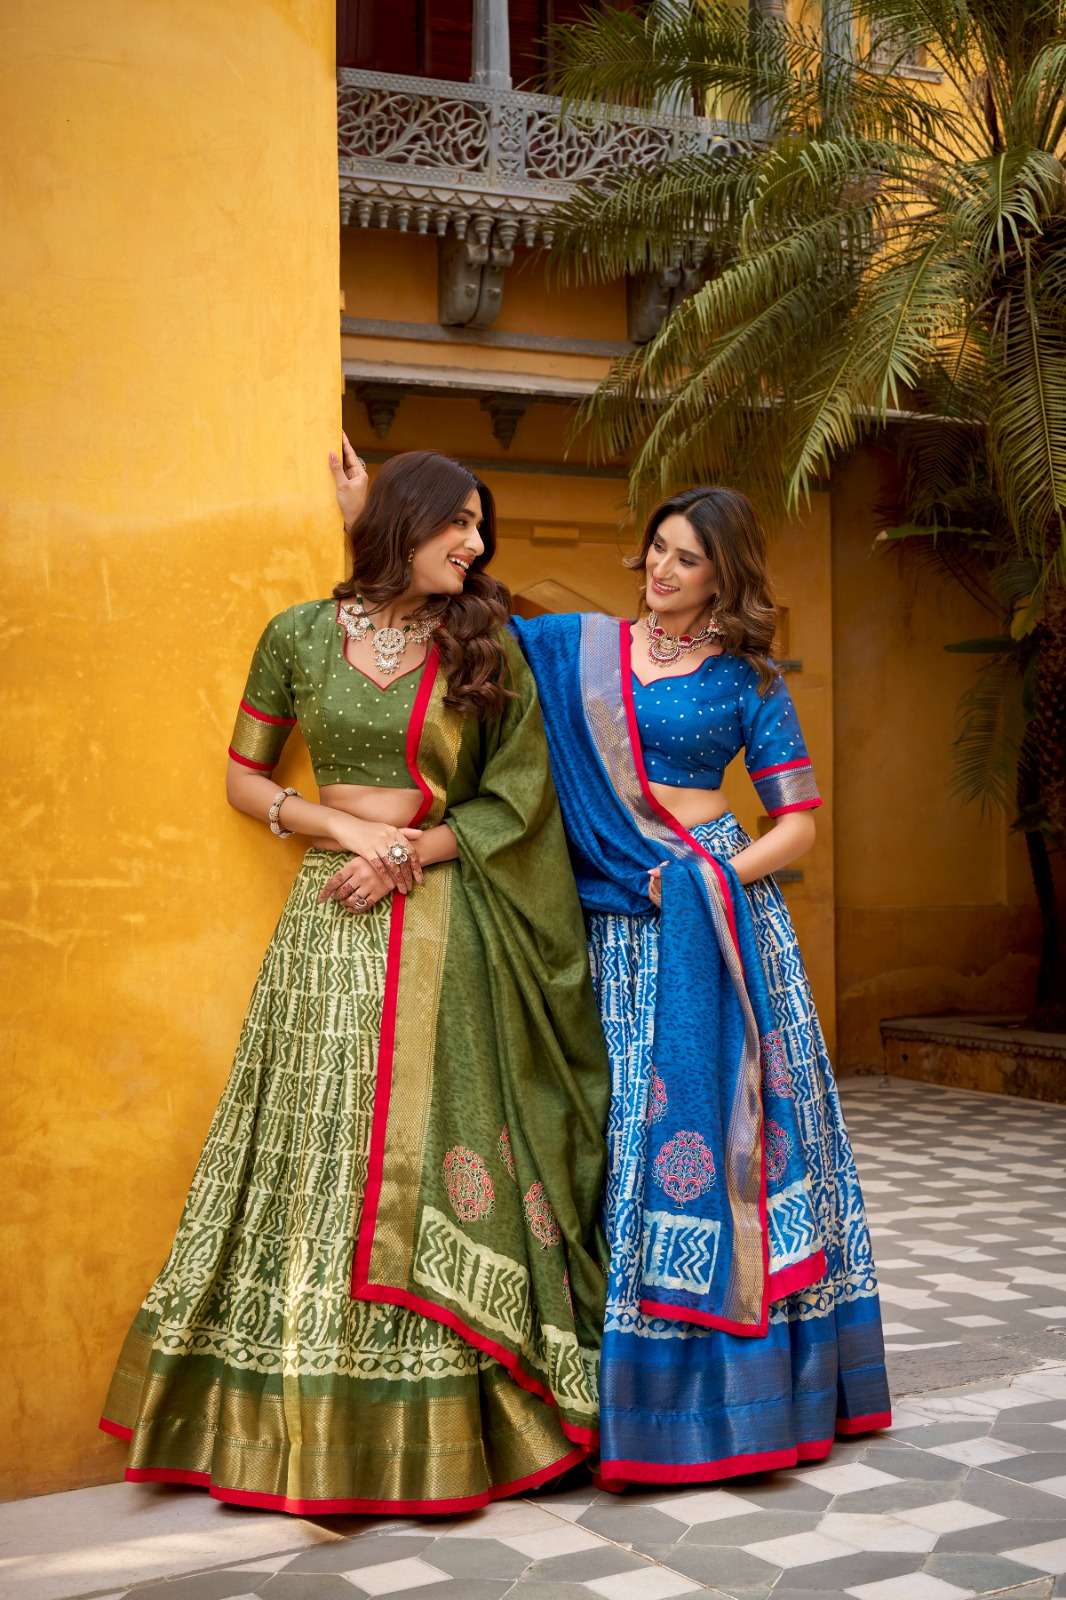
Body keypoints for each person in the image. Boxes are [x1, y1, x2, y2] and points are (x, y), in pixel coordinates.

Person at [100, 448, 610, 1514]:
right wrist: (338, 829)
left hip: (445, 919)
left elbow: (517, 803)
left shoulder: (487, 642)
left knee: (434, 1139)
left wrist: (404, 853)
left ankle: (450, 1420)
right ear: (404, 522)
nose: (475, 543)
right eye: (456, 522)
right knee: (316, 1147)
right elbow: (244, 776)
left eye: (479, 525)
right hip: (328, 918)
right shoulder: (297, 636)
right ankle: (295, 1422)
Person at [509, 486, 892, 1486]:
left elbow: (796, 825)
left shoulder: (747, 680)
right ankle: (592, 1395)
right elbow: (472, 618)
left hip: (716, 913)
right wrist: (367, 519)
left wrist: (711, 879)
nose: (661, 569)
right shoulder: (580, 652)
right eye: (656, 548)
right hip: (610, 912)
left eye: (686, 557)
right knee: (611, 1125)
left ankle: (735, 1399)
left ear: (723, 574)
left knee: (730, 1125)